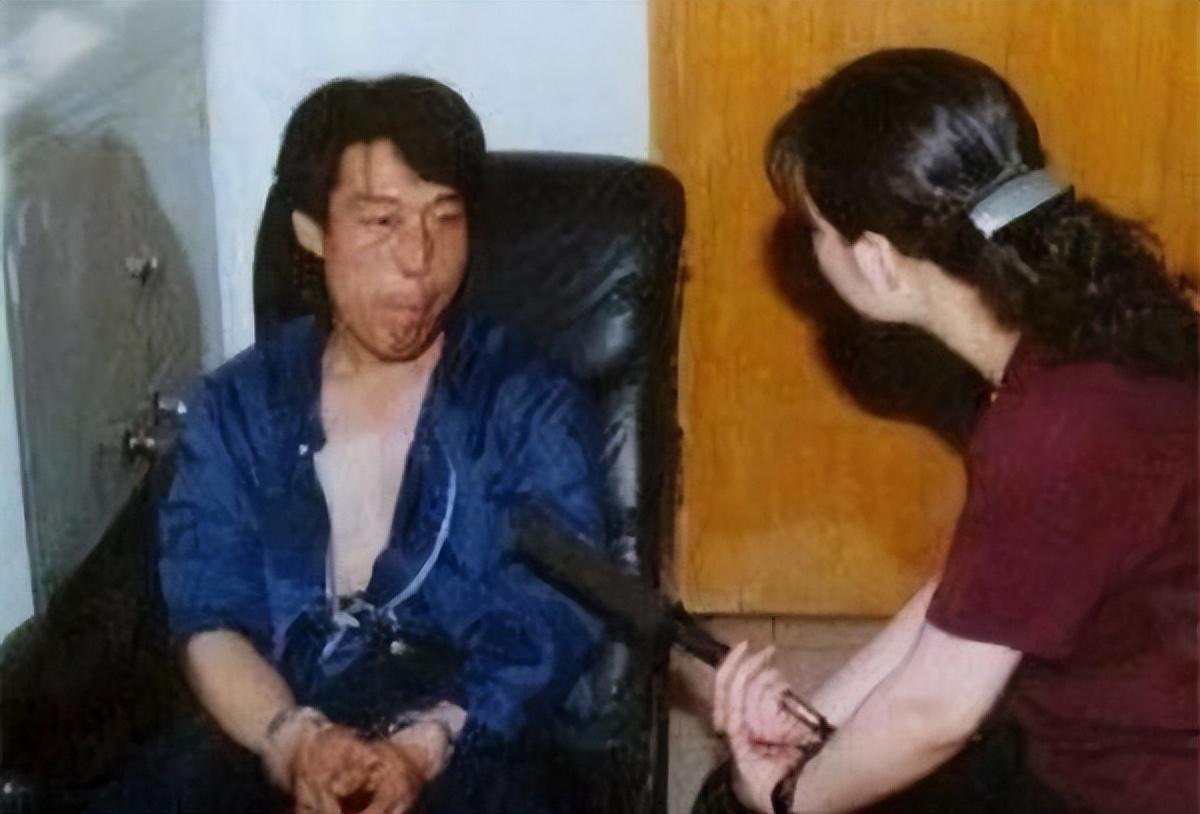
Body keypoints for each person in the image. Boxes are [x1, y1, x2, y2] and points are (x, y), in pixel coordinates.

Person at [88, 75, 608, 814]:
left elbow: (552, 612)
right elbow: (210, 614)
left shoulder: (523, 401)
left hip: (466, 731)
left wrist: (422, 745)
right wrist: (294, 742)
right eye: (381, 221)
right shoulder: (237, 409)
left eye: (445, 218)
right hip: (279, 717)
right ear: (311, 231)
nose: (418, 259)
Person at [705, 48, 1197, 814]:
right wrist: (818, 725)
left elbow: (936, 714)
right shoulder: (1091, 316)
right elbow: (980, 587)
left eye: (817, 230)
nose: (812, 250)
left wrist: (788, 797)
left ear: (877, 261)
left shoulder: (1055, 426)